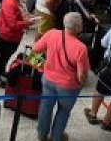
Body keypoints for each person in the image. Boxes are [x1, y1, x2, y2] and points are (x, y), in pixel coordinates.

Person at [33, 12, 90, 141]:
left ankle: (41, 135)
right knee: (63, 112)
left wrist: (42, 66)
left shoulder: (52, 33)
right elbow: (82, 75)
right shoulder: (81, 48)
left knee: (45, 108)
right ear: (79, 28)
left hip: (48, 79)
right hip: (68, 86)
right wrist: (81, 84)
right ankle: (56, 137)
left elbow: (35, 49)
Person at [0, 0, 35, 85]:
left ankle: (1, 71)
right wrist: (26, 23)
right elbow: (12, 24)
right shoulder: (9, 3)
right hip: (8, 35)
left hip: (14, 34)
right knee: (1, 56)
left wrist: (26, 18)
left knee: (5, 56)